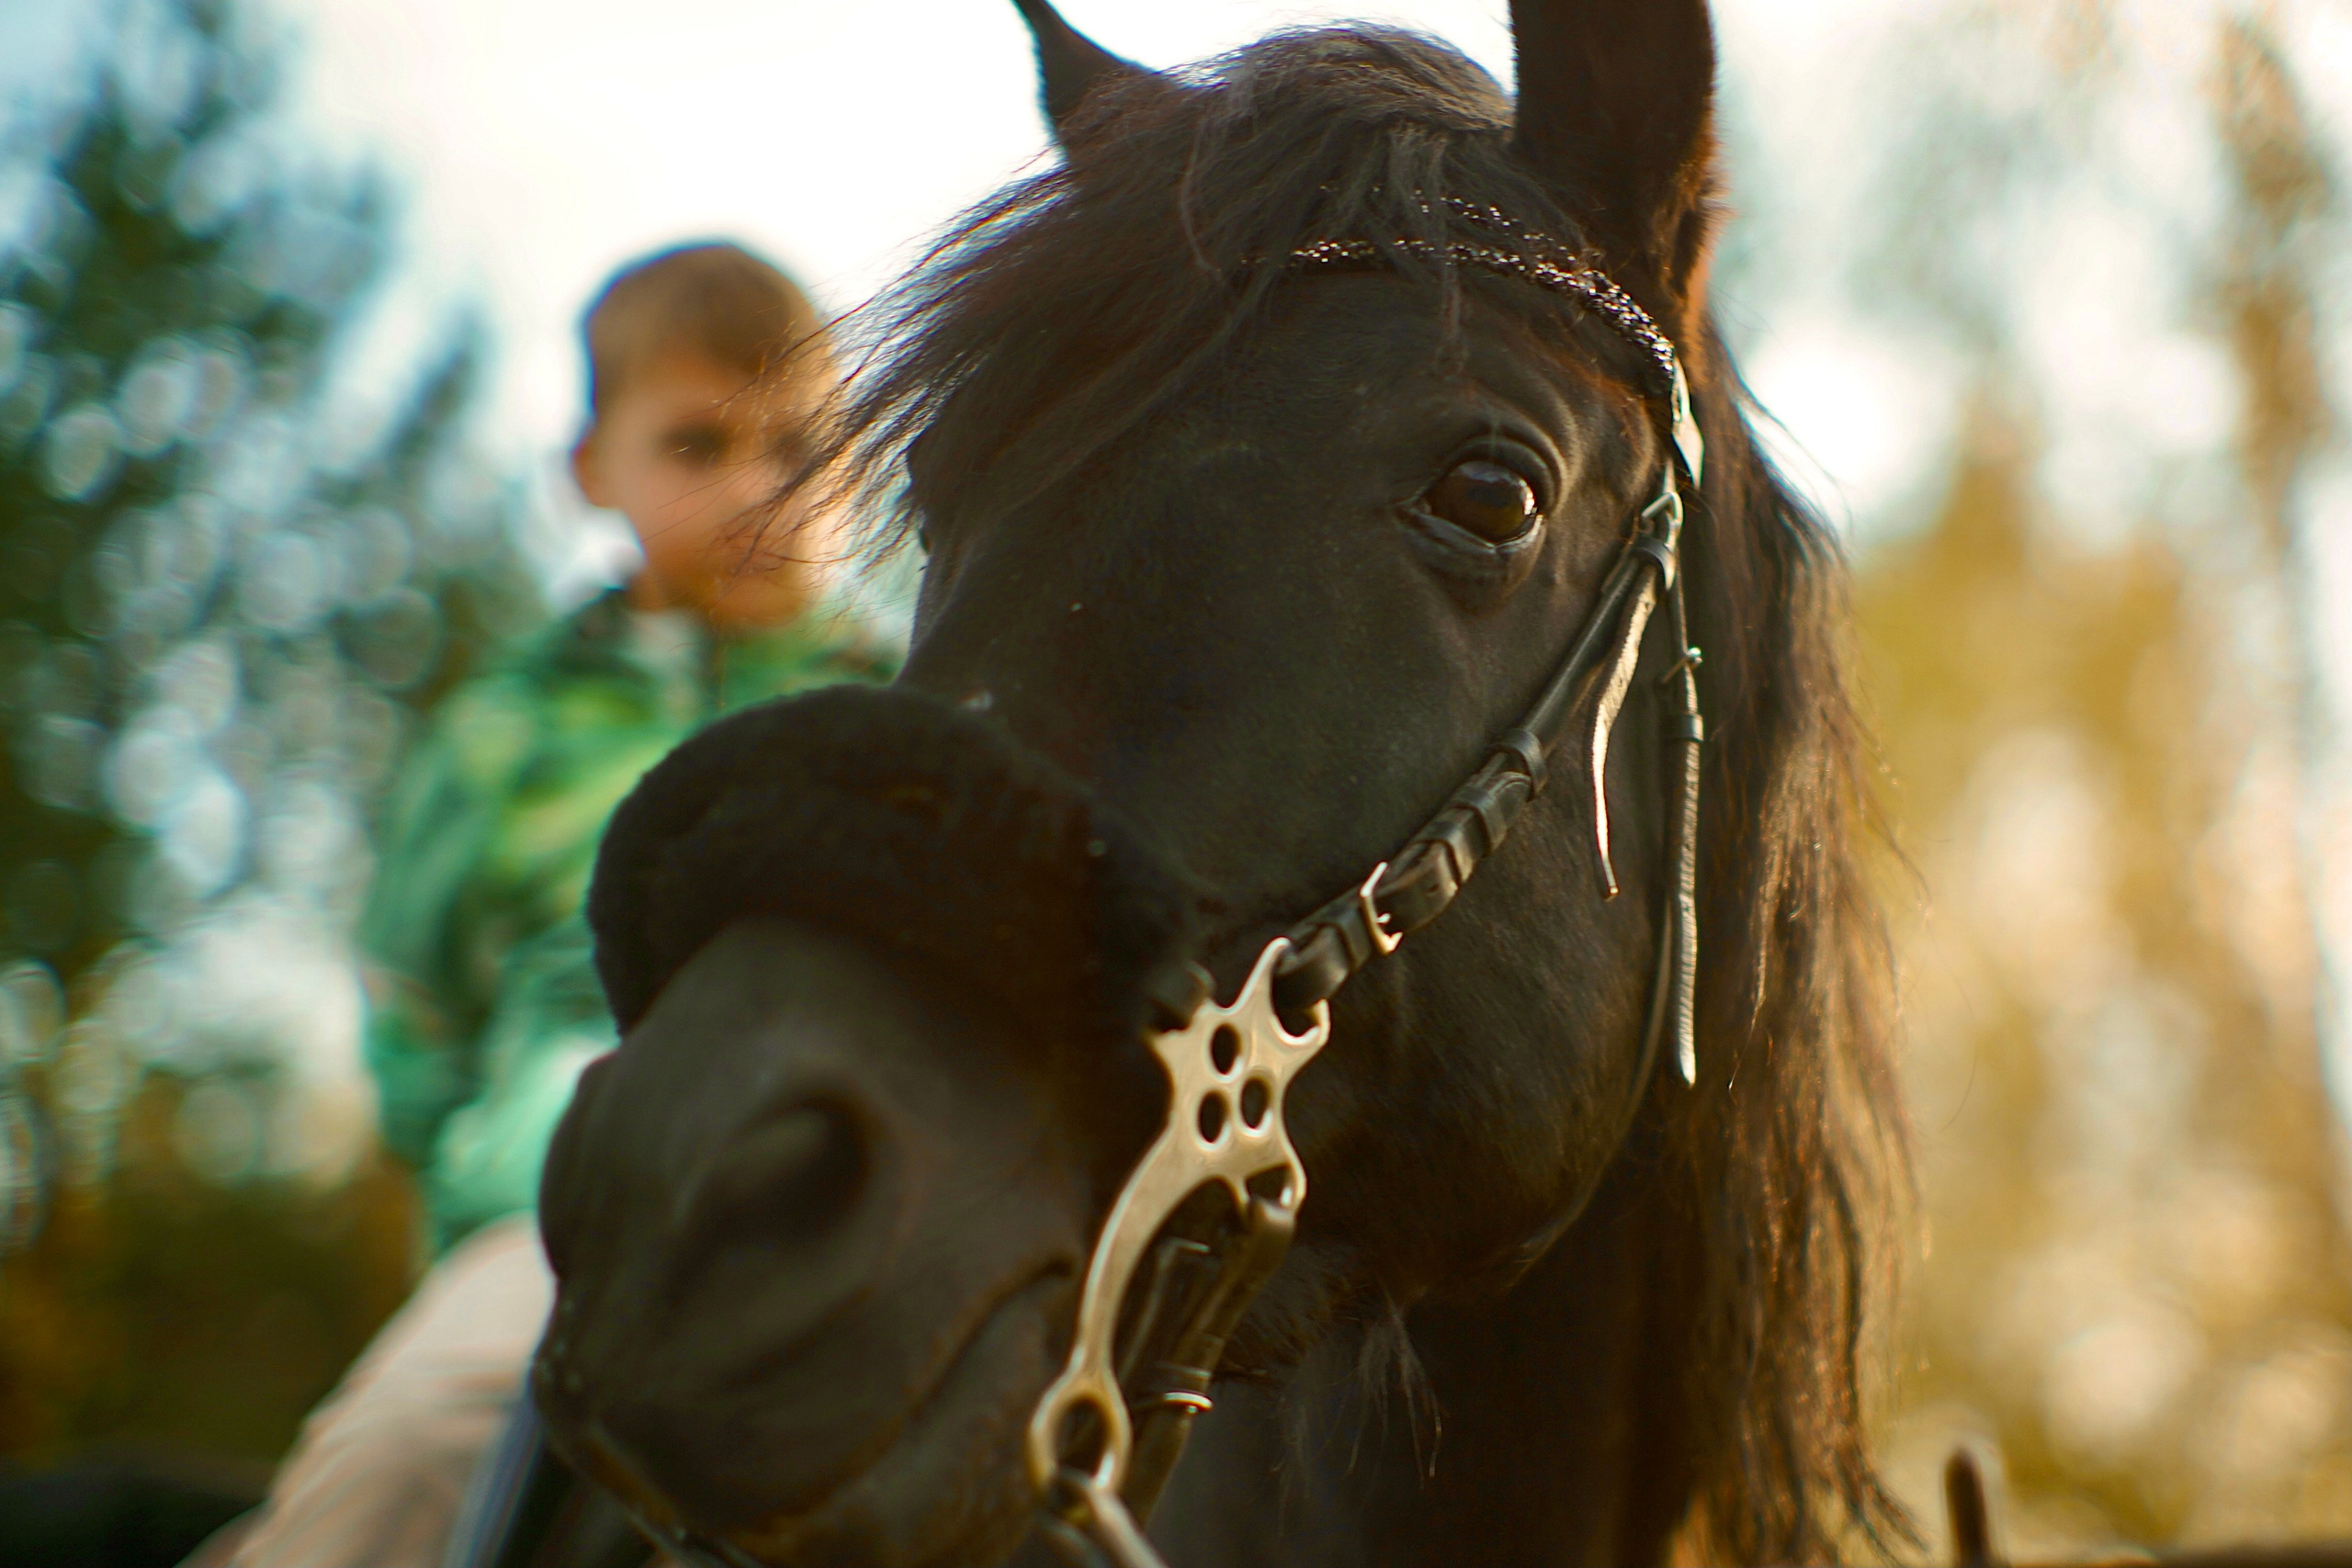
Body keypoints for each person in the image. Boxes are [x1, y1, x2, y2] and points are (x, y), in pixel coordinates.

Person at [207, 243, 892, 1568]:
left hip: (862, 1216)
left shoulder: (913, 707)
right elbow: (416, 1014)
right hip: (565, 1221)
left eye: (798, 445)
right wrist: (500, 1161)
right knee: (400, 1452)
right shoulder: (501, 737)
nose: (758, 489)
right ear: (592, 470)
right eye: (697, 447)